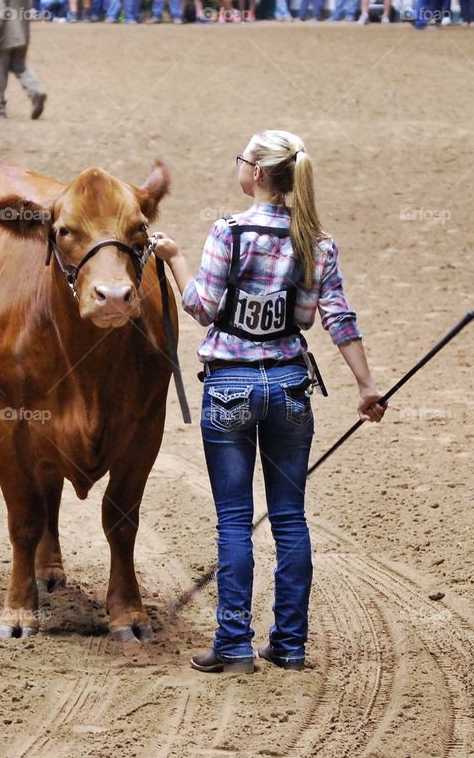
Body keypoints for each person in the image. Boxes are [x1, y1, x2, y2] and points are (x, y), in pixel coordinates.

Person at [151, 130, 386, 674]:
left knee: (234, 522)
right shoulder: (317, 242)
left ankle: (233, 643)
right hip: (287, 385)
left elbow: (203, 307)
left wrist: (176, 257)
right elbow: (337, 318)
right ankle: (290, 644)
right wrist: (365, 386)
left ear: (257, 173)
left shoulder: (228, 232)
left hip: (230, 384)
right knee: (289, 519)